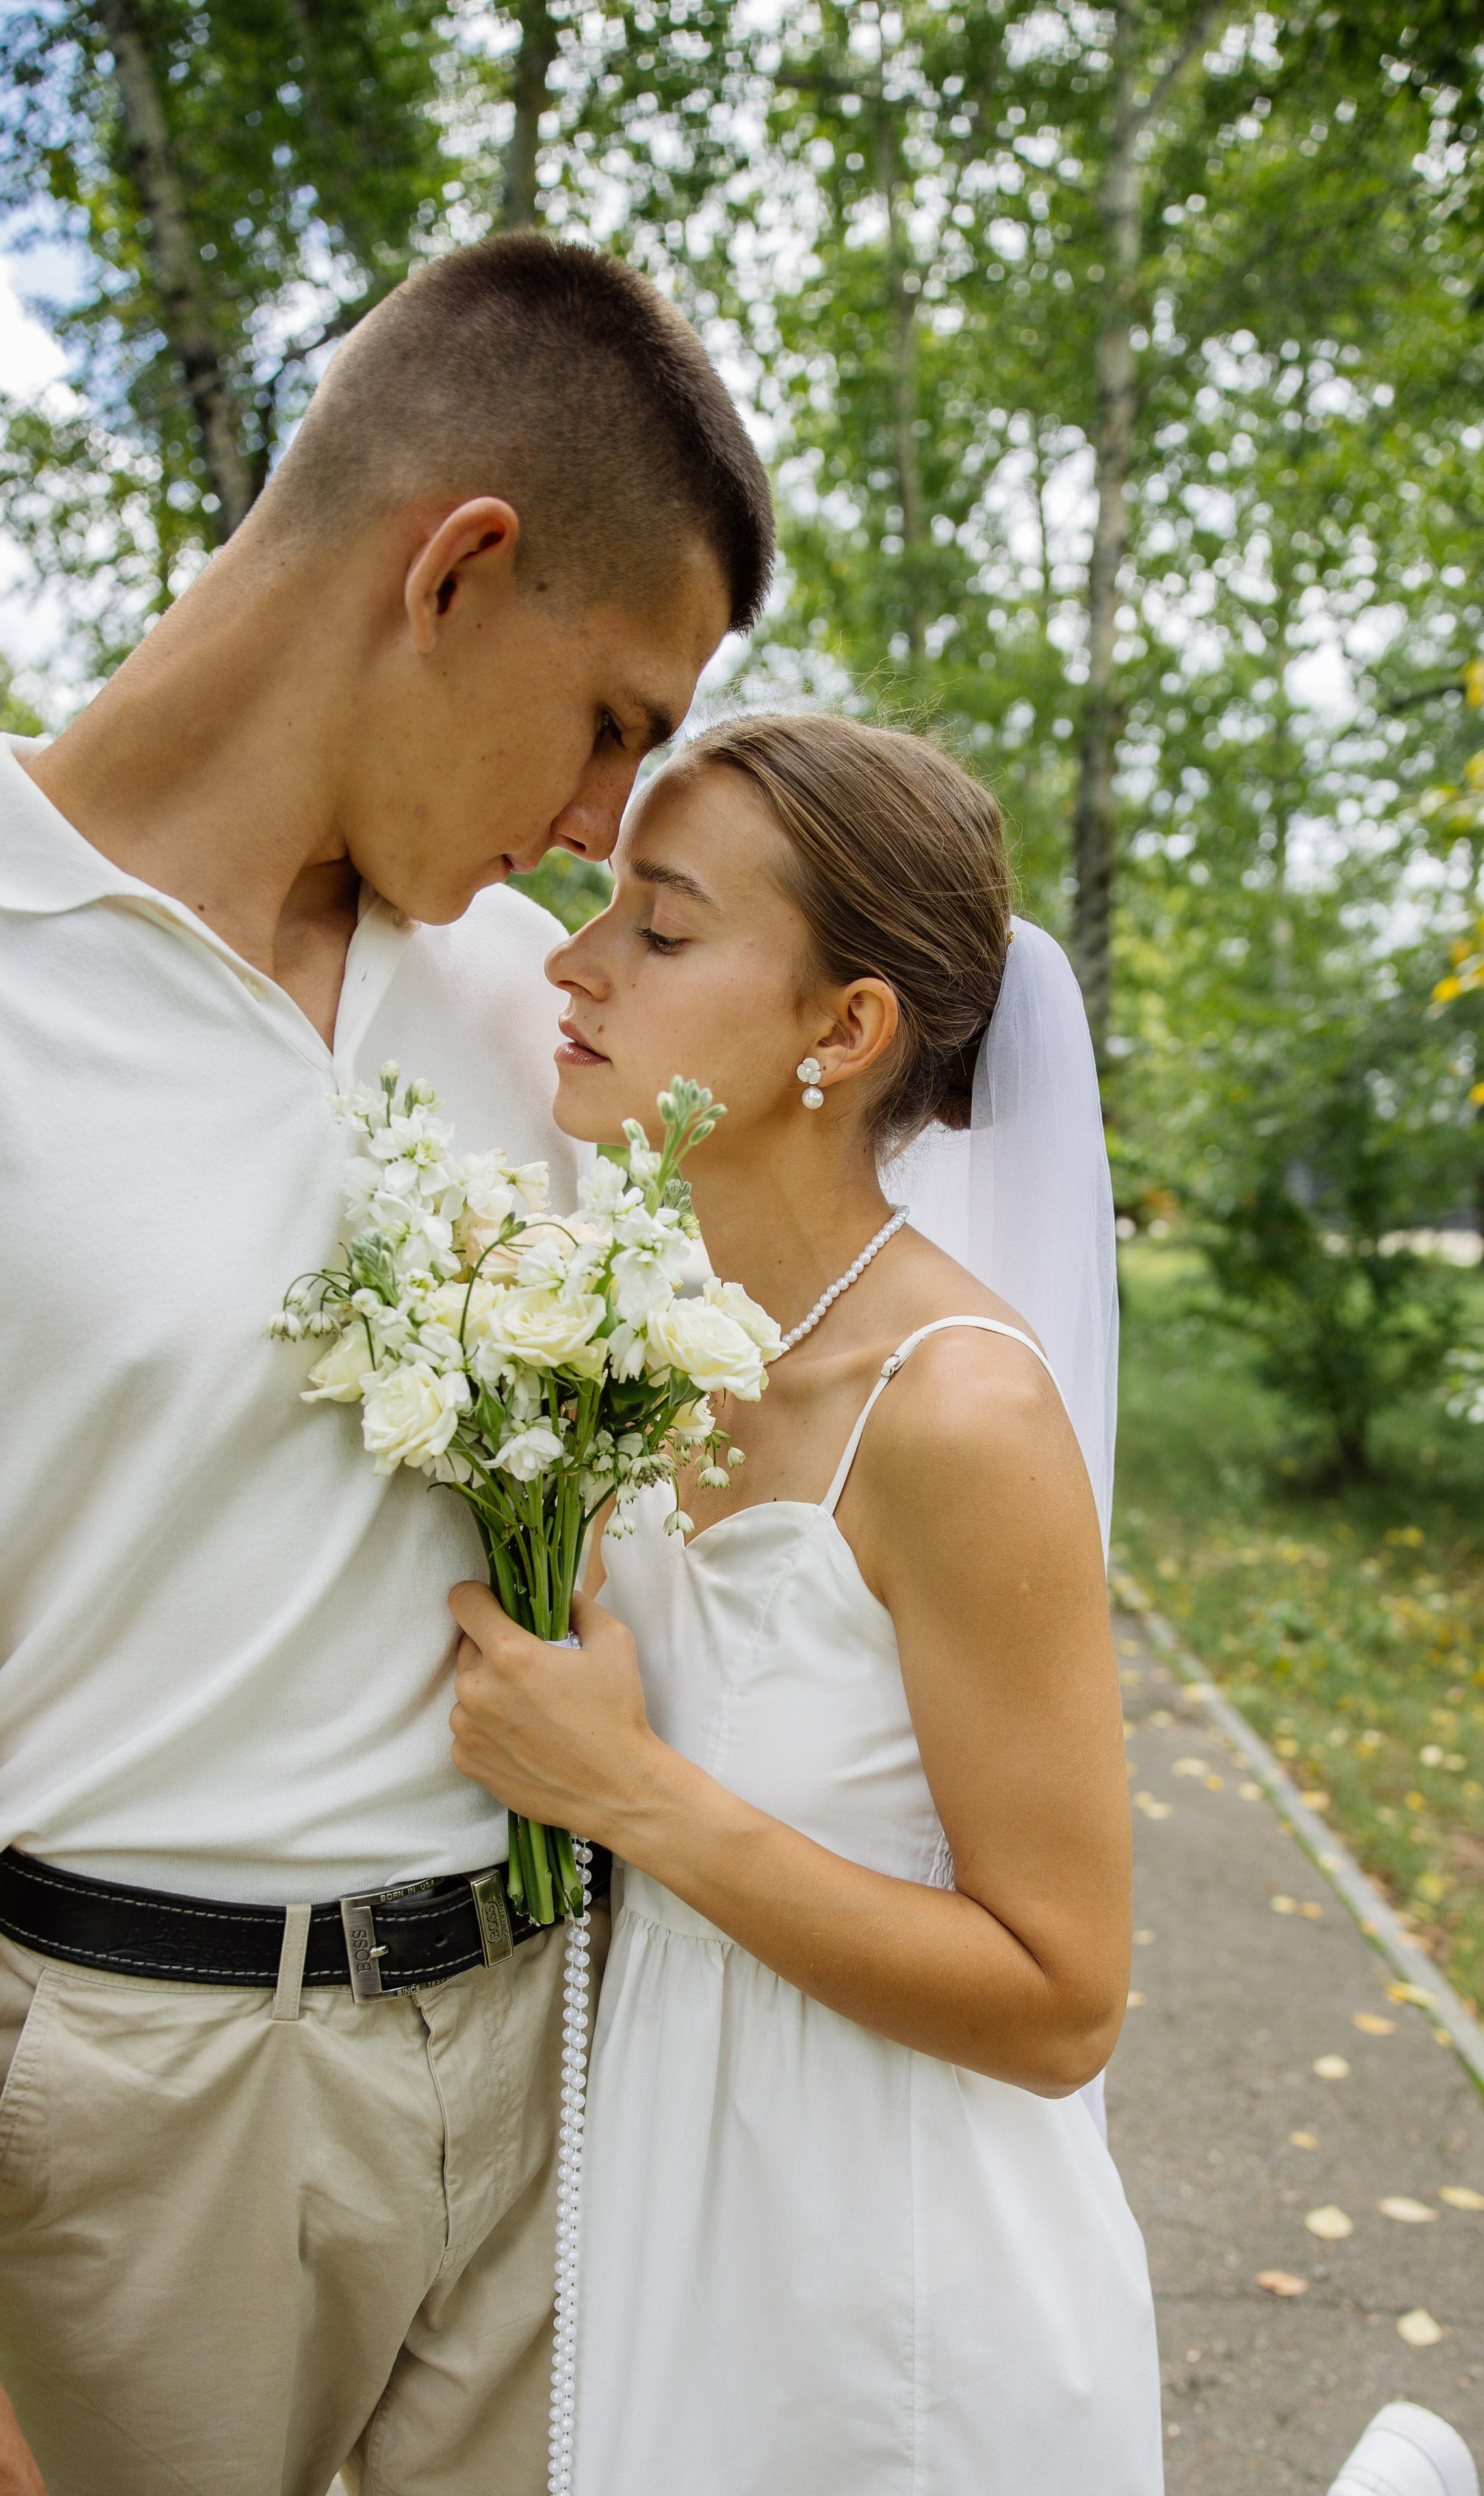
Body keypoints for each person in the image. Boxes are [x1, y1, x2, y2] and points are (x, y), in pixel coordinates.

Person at [0, 237, 772, 2496]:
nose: (605, 826)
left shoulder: (537, 1000)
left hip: (556, 2062)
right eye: (615, 719)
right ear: (455, 571)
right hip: (148, 2131)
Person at [449, 712, 1164, 2493]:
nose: (573, 963)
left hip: (891, 2293)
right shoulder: (632, 1337)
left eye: (661, 929)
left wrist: (631, 1795)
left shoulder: (960, 1411)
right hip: (663, 2215)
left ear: (842, 1032)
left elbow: (1064, 1999)